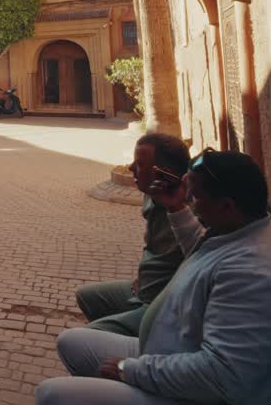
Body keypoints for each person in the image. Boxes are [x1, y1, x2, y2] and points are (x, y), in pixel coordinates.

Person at [36, 150, 271, 405]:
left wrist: (129, 370)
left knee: (53, 394)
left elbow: (221, 376)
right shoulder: (249, 229)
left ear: (228, 206)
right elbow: (203, 252)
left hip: (206, 393)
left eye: (195, 198)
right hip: (175, 352)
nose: (191, 204)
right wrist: (176, 208)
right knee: (72, 342)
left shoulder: (257, 276)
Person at [75, 133, 191, 336]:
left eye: (140, 164)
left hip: (164, 304)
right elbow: (153, 245)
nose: (130, 168)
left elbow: (197, 260)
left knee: (83, 338)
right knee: (87, 296)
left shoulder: (187, 214)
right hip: (143, 289)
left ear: (163, 172)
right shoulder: (151, 196)